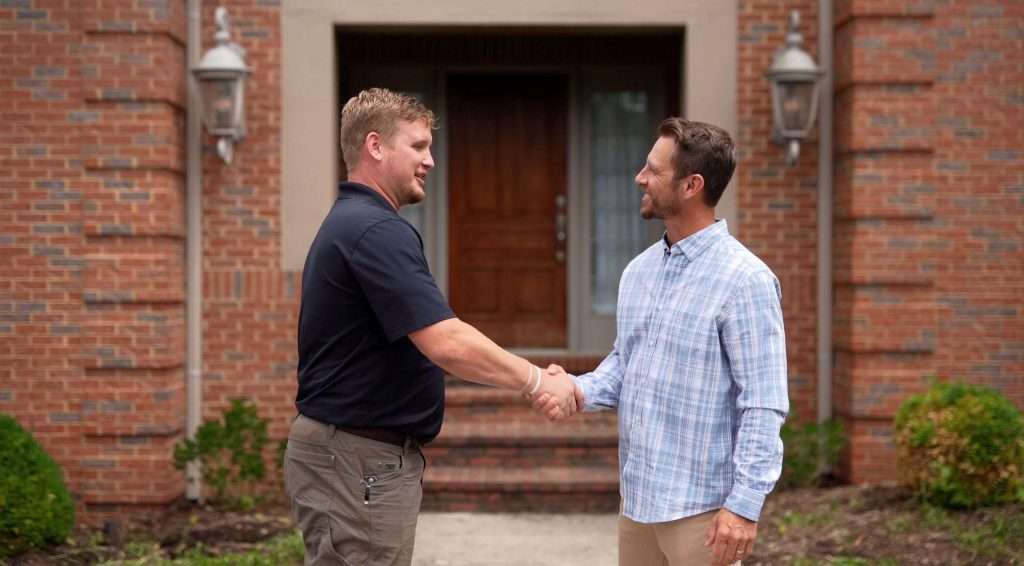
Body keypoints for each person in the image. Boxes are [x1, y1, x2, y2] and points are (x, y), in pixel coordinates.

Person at [285, 88, 579, 566]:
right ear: (375, 146)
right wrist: (535, 380)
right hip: (358, 463)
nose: (431, 161)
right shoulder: (375, 230)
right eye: (418, 146)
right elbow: (446, 341)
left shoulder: (357, 223)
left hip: (354, 459)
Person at [537, 118, 789, 566]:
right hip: (637, 505)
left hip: (705, 515)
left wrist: (743, 506)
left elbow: (763, 404)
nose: (640, 177)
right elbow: (624, 364)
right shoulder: (639, 271)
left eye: (653, 170)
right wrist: (577, 389)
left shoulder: (745, 280)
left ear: (691, 185)